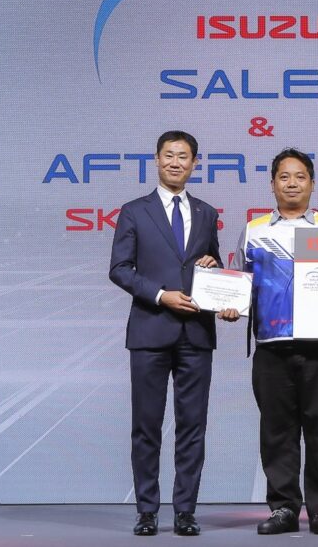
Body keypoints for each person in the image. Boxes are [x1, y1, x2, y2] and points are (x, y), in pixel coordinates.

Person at [108, 130, 237, 537]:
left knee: (192, 427)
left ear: (195, 163)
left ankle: (185, 511)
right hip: (150, 331)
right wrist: (161, 295)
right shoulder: (134, 211)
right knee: (146, 426)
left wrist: (215, 268)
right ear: (157, 159)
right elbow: (119, 269)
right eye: (169, 155)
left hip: (196, 334)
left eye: (183, 156)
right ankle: (147, 510)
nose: (175, 162)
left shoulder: (206, 212)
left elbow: (212, 264)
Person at [231, 148, 318, 536]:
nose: (291, 183)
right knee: (277, 433)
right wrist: (229, 304)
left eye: (300, 176)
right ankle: (284, 508)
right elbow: (238, 281)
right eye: (284, 177)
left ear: (312, 184)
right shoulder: (253, 230)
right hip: (271, 347)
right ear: (272, 184)